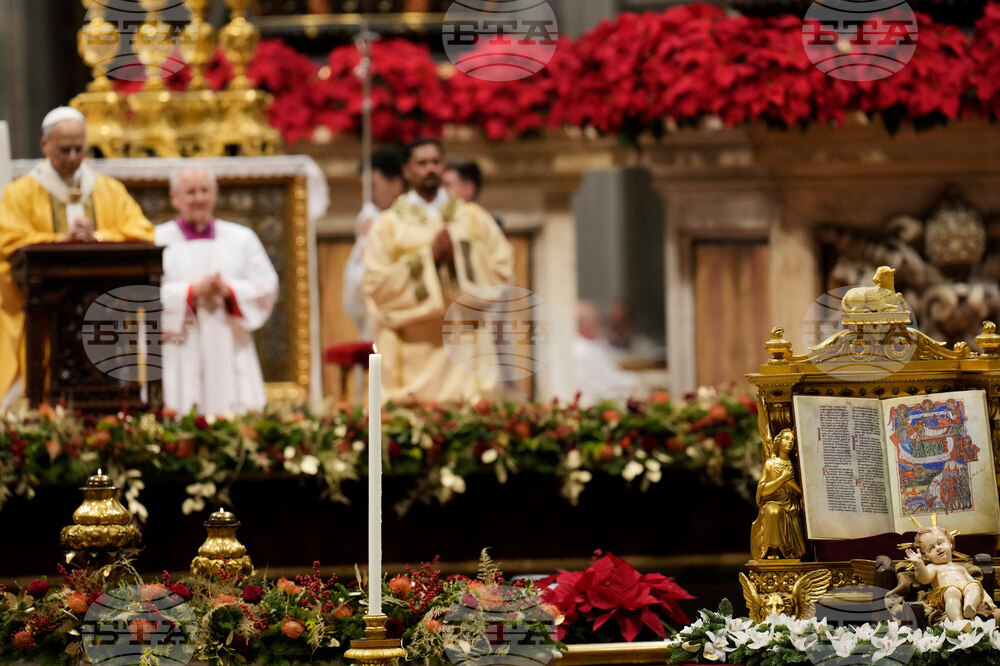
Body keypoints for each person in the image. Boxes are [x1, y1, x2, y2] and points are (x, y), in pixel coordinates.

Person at [0, 106, 155, 405]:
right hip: (42, 313)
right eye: (64, 149)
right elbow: (6, 238)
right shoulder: (20, 194)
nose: (72, 157)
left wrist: (97, 237)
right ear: (44, 146)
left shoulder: (109, 191)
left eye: (79, 148)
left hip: (104, 313)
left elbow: (143, 231)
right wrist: (60, 241)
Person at [363, 138, 513, 402]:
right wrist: (427, 260)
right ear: (407, 171)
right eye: (421, 163)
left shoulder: (474, 217)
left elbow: (502, 269)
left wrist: (458, 261)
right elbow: (375, 286)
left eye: (436, 162)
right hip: (410, 349)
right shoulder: (388, 225)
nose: (430, 169)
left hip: (464, 340)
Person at [155, 165, 279, 414]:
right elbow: (142, 297)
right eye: (190, 192)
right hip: (181, 347)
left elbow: (267, 286)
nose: (199, 198)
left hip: (229, 343)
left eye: (205, 191)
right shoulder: (157, 240)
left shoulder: (242, 238)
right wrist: (191, 291)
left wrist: (229, 291)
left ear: (215, 193)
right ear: (174, 197)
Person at [342, 146, 406, 341]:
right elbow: (356, 280)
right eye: (364, 189)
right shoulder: (370, 219)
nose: (367, 196)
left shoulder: (411, 220)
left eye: (373, 187)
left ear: (396, 184)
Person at [905, 524, 984, 621]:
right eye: (931, 548)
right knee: (952, 591)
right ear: (926, 556)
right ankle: (958, 622)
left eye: (940, 543)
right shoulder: (933, 567)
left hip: (965, 593)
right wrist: (919, 563)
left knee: (973, 586)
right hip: (946, 596)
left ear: (950, 543)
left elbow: (976, 584)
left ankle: (969, 606)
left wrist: (987, 599)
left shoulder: (960, 568)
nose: (938, 548)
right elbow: (924, 579)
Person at [750, 428, 806, 560]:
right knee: (773, 511)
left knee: (801, 552)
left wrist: (790, 482)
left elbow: (801, 493)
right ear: (779, 442)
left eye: (792, 440)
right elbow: (763, 491)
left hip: (792, 507)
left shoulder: (795, 465)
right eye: (786, 439)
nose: (789, 442)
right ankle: (773, 550)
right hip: (775, 502)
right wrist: (782, 479)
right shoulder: (771, 464)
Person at [572, 300, 640, 405]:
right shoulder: (586, 350)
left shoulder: (578, 347)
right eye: (596, 321)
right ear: (584, 325)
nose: (598, 327)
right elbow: (612, 382)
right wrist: (641, 380)